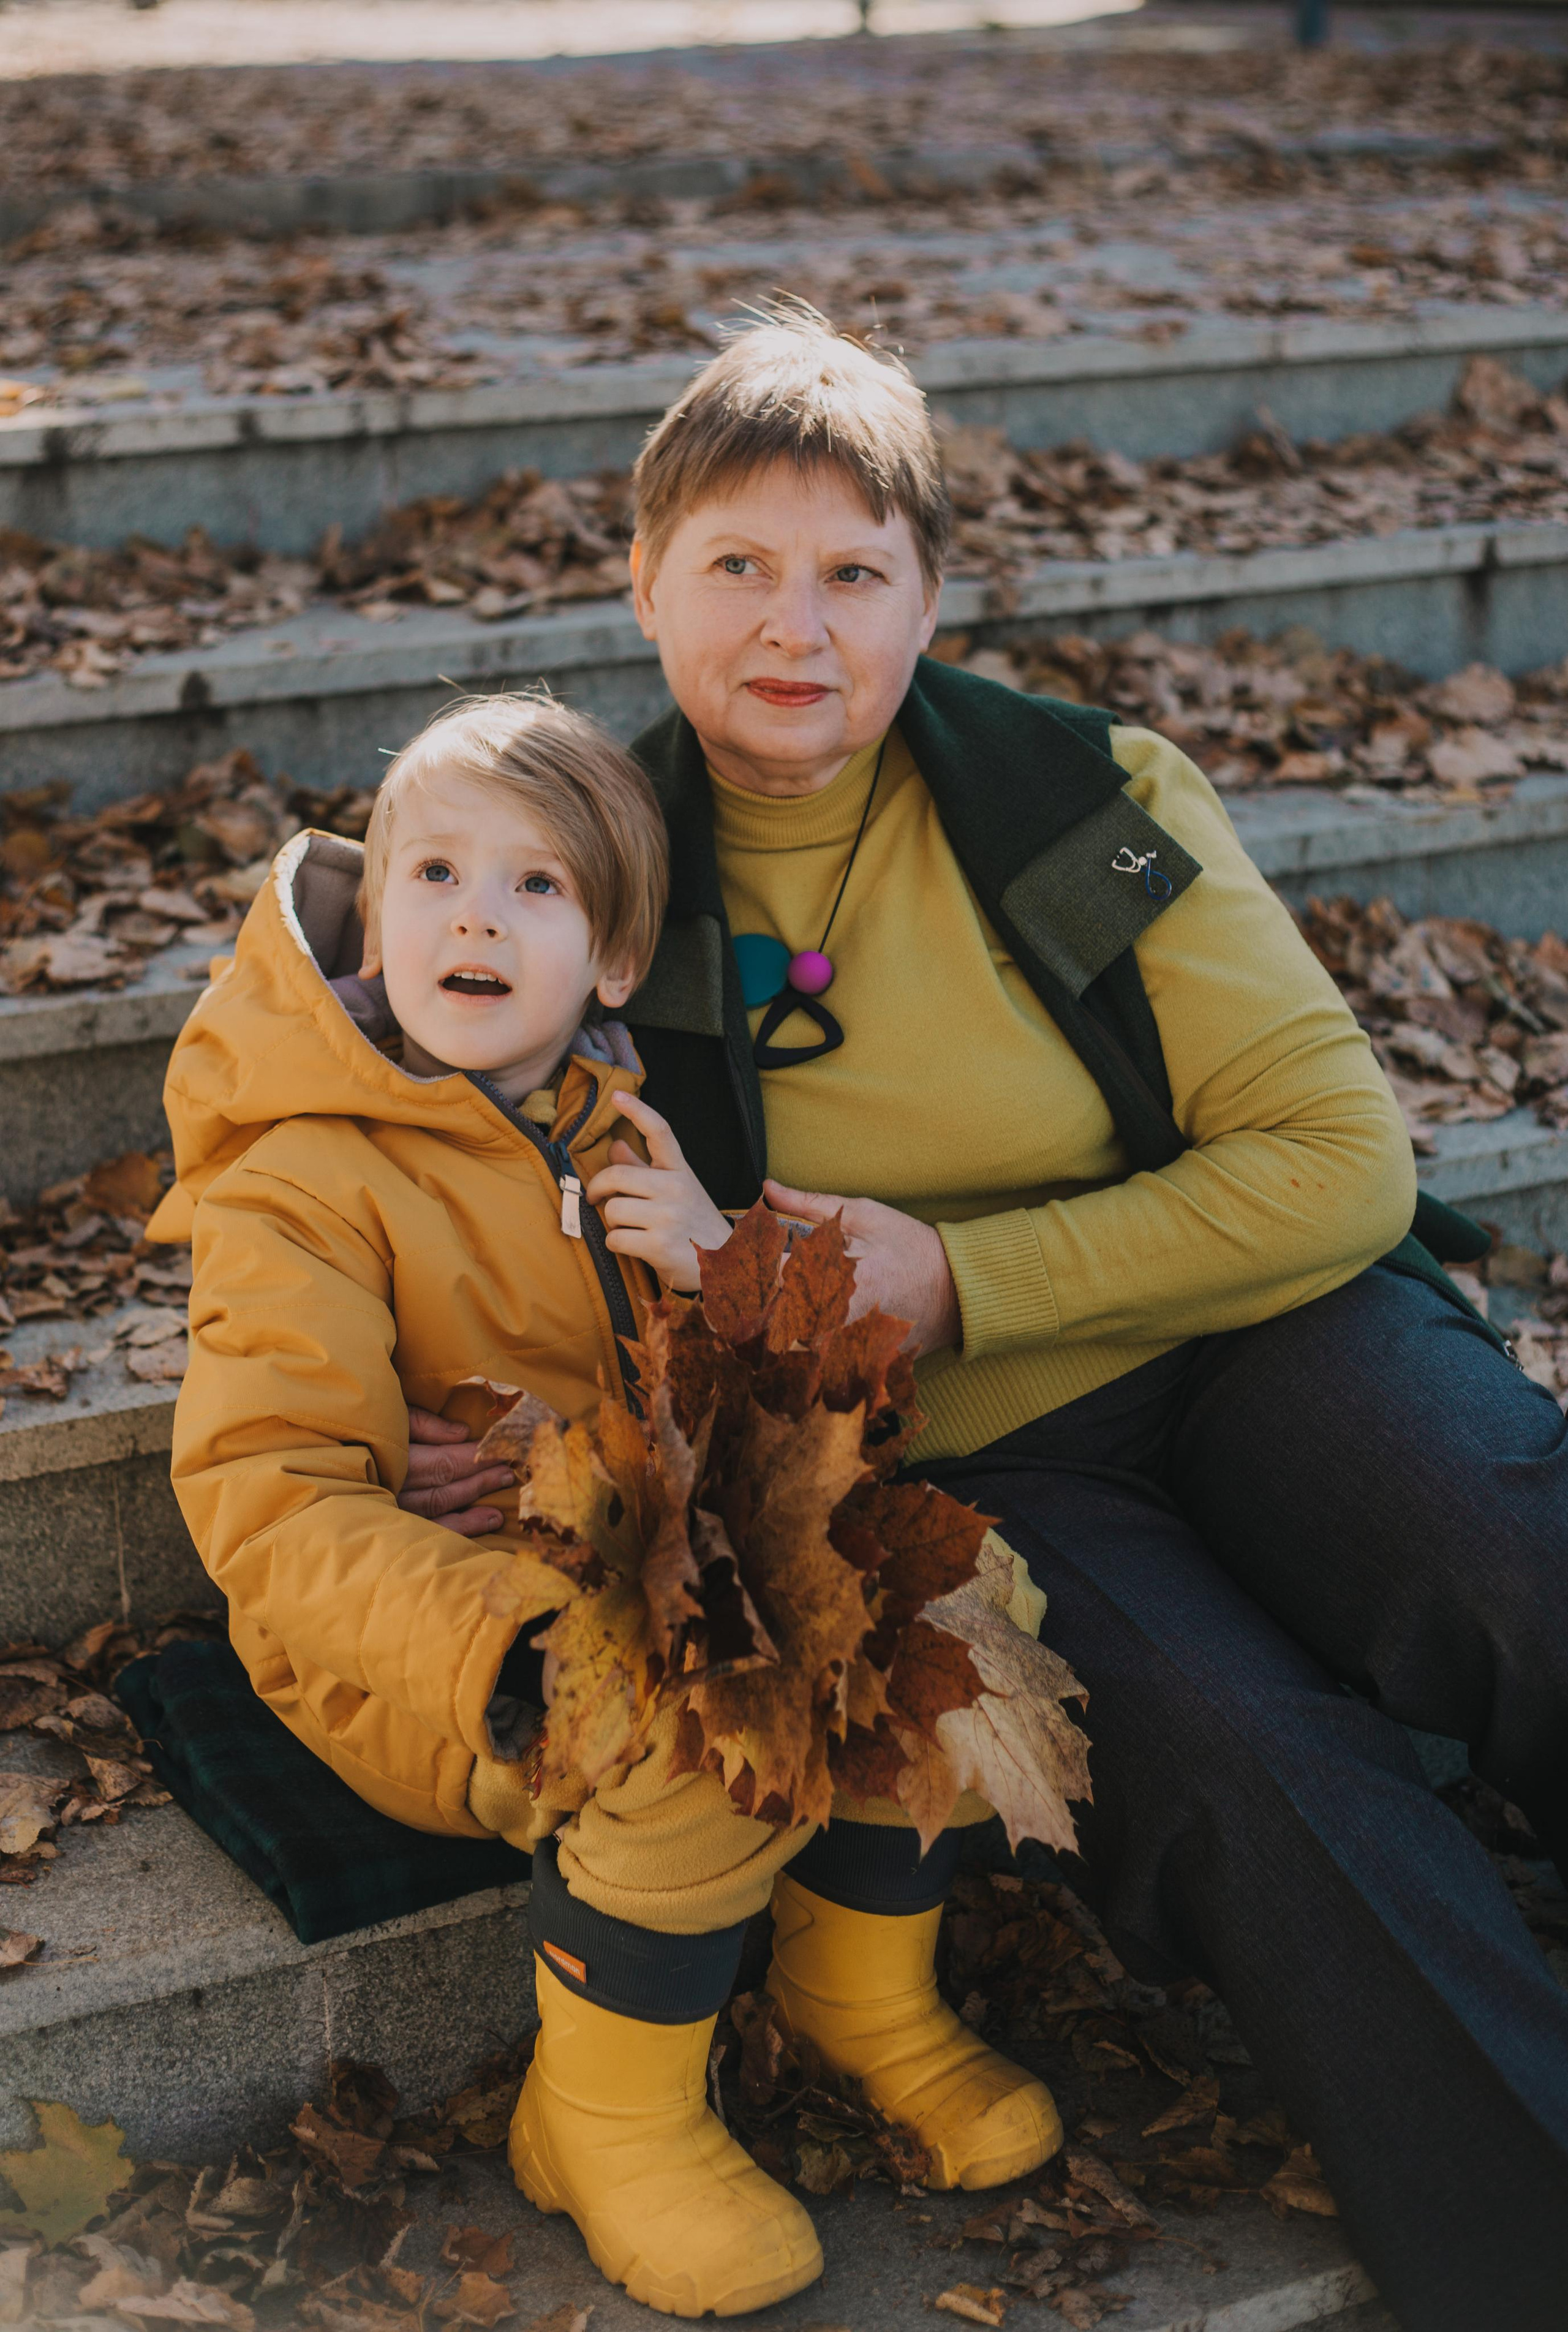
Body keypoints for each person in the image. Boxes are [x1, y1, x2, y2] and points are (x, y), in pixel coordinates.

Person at [401, 311, 1568, 2332]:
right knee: (1253, 1770)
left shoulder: (1073, 807)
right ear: (644, 581)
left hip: (1261, 1328)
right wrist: (497, 1416)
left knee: (1508, 1547)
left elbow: (1335, 1160)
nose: (798, 625)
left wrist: (964, 1275)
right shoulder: (577, 871)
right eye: (738, 565)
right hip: (963, 1456)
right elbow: (432, 1164)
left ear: (929, 599)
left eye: (855, 571)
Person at [153, 690, 1064, 2321]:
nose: (475, 918)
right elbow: (273, 1503)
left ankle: (860, 1998)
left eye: (538, 886)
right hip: (427, 1646)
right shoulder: (303, 1180)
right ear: (378, 914)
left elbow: (769, 1420)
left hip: (636, 1553)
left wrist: (719, 1271)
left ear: (616, 962)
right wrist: (511, 1640)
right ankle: (604, 2115)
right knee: (689, 1702)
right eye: (435, 875)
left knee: (939, 1613)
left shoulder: (616, 1126)